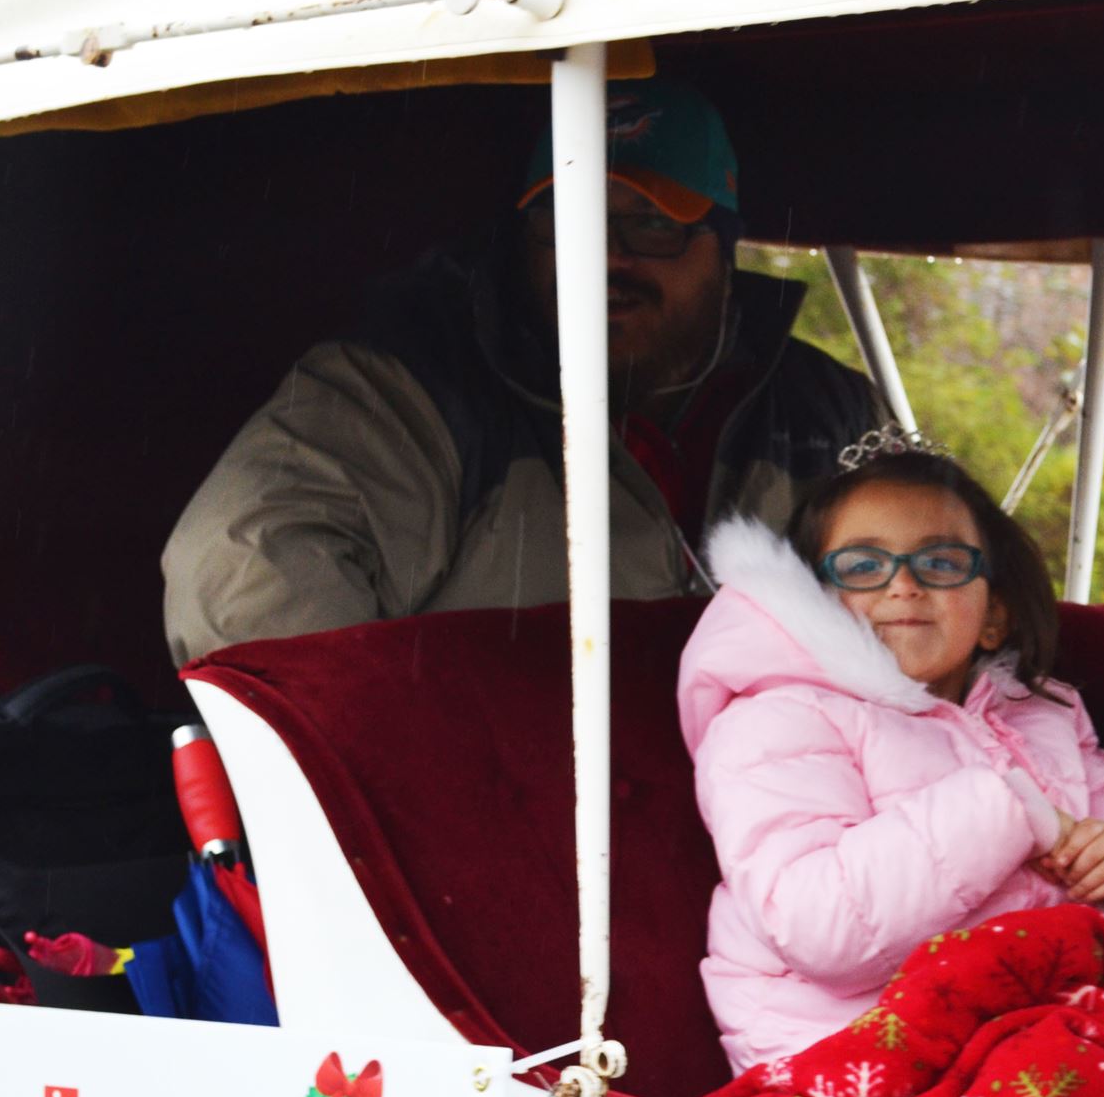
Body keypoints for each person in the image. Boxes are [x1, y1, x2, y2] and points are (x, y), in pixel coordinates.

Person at [162, 79, 881, 663]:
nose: (604, 257)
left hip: (788, 824)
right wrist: (426, 778)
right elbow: (239, 565)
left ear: (725, 253)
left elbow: (929, 596)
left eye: (653, 223)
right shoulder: (412, 390)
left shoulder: (825, 410)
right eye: (568, 218)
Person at [679, 432, 1104, 1072]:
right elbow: (819, 925)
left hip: (1027, 1033)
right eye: (862, 566)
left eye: (940, 564)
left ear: (992, 615)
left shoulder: (1040, 712)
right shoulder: (776, 718)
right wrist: (1007, 809)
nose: (903, 585)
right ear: (812, 602)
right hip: (844, 1051)